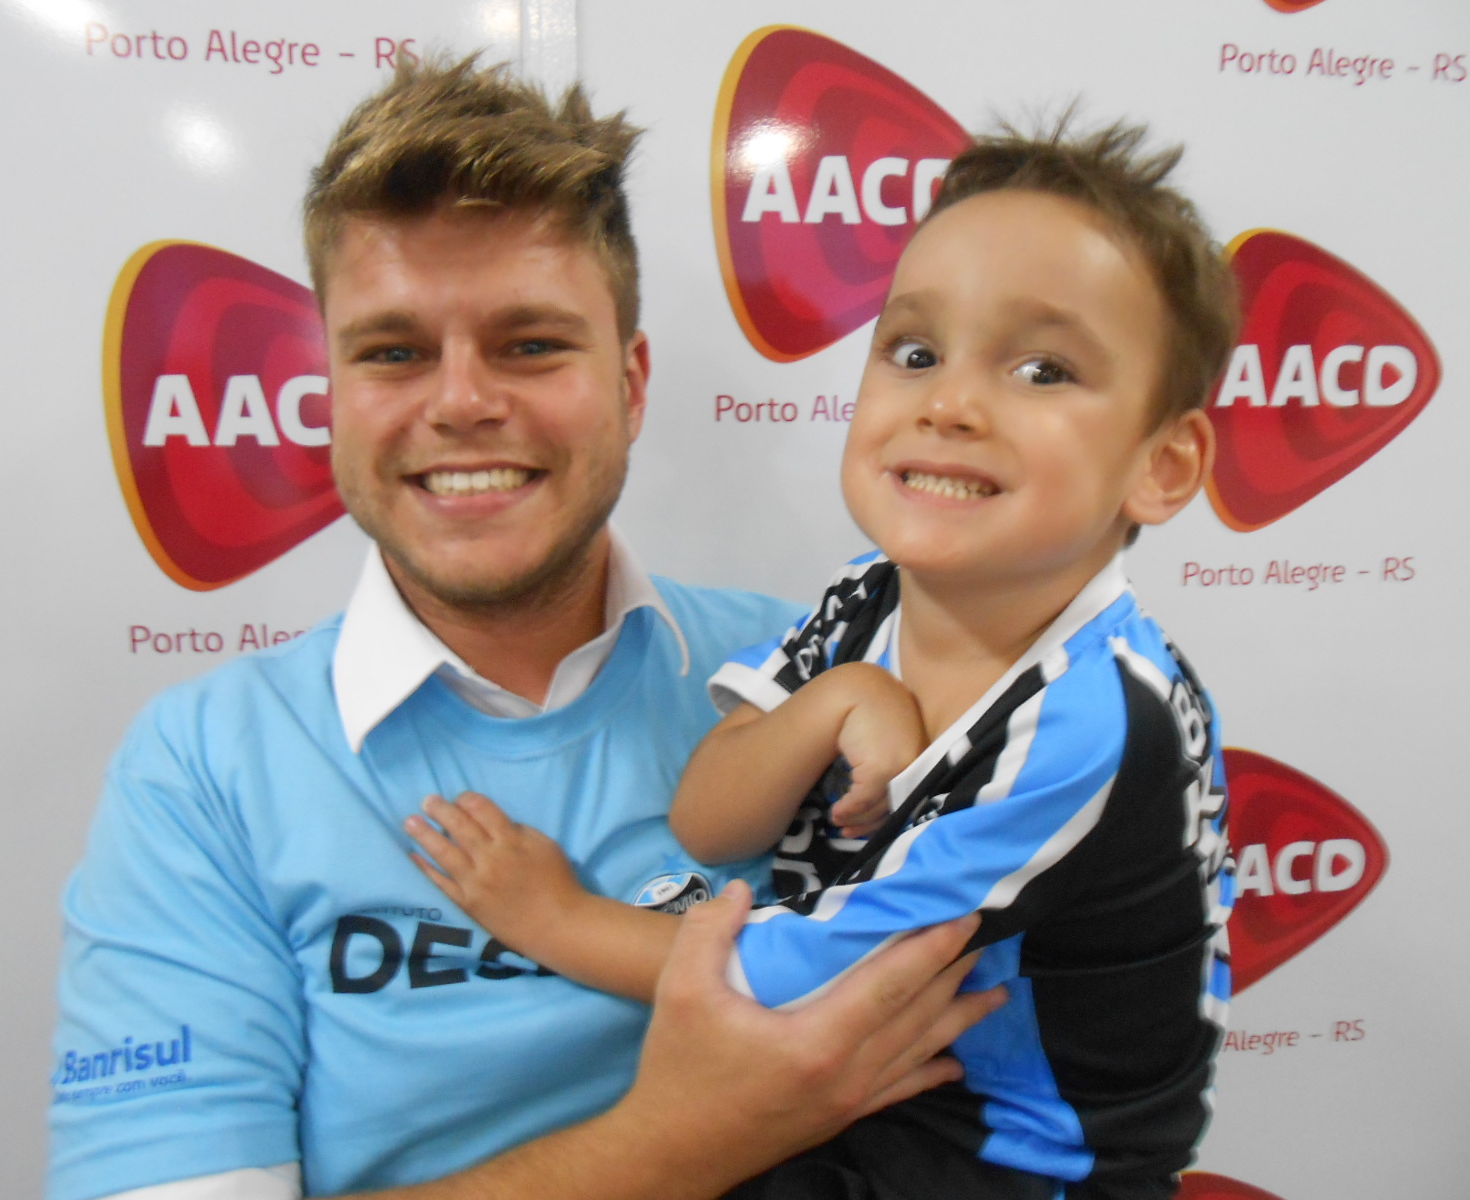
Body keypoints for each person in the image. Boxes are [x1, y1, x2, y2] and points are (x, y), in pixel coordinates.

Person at [46, 54, 1003, 1200]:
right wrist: (694, 1136)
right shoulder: (203, 771)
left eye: (531, 345)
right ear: (333, 397)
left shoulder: (828, 676)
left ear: (632, 385)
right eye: (394, 352)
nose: (460, 401)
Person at [411, 122, 1239, 1199]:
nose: (948, 402)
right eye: (913, 351)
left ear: (1163, 465)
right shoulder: (868, 595)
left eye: (1043, 369)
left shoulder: (1090, 717)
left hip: (1014, 1162)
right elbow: (710, 819)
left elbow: (805, 992)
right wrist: (836, 698)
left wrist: (552, 918)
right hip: (872, 1100)